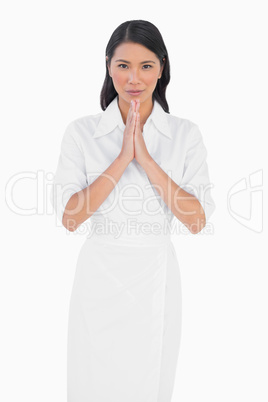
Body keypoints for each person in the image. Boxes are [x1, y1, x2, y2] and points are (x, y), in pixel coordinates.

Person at [50, 19, 215, 402]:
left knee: (149, 382)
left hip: (155, 275)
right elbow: (71, 217)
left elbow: (196, 220)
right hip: (99, 276)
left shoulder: (185, 135)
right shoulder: (81, 132)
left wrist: (146, 157)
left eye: (146, 66)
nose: (134, 78)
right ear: (109, 66)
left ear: (162, 68)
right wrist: (123, 158)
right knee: (91, 380)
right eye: (123, 65)